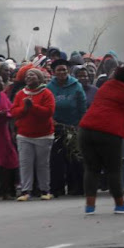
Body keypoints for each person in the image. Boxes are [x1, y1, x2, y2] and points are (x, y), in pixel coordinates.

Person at [78, 66, 124, 214]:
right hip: (108, 131)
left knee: (91, 169)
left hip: (86, 129)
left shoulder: (105, 86)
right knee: (114, 170)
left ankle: (90, 206)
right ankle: (120, 204)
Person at [11, 68, 56, 201]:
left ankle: (45, 190)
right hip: (24, 134)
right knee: (25, 163)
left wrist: (33, 107)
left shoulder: (46, 93)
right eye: (27, 76)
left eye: (32, 75)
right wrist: (24, 108)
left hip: (43, 135)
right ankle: (25, 191)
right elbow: (14, 112)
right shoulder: (20, 94)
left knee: (42, 164)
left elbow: (48, 112)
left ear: (39, 78)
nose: (29, 77)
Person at [47, 59, 87, 197]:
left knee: (75, 158)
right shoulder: (49, 87)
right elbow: (47, 108)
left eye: (64, 69)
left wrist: (80, 126)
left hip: (74, 127)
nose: (62, 72)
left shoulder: (77, 86)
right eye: (59, 70)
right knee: (57, 159)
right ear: (54, 72)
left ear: (68, 71)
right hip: (56, 128)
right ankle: (57, 188)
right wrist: (52, 121)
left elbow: (82, 108)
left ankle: (76, 188)